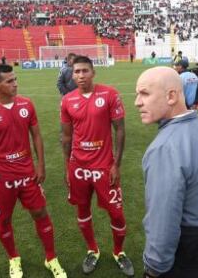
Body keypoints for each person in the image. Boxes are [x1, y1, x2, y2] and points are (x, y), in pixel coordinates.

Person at [135, 67, 198, 278]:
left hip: (193, 258)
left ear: (171, 96)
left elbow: (163, 222)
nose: (137, 101)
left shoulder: (164, 148)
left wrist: (154, 269)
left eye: (144, 93)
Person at [0, 64, 67, 278]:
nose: (15, 84)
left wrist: (41, 165)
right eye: (9, 81)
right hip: (1, 177)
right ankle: (14, 258)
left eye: (15, 79)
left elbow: (36, 135)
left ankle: (51, 258)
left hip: (28, 173)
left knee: (40, 212)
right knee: (3, 220)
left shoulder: (26, 105)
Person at [60, 55, 134, 276]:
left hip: (104, 167)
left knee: (117, 214)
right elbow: (66, 137)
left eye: (84, 71)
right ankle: (92, 250)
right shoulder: (67, 100)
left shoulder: (109, 94)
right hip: (78, 167)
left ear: (93, 72)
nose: (80, 75)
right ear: (72, 75)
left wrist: (116, 164)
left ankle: (118, 252)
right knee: (82, 209)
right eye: (76, 72)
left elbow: (119, 129)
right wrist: (67, 167)